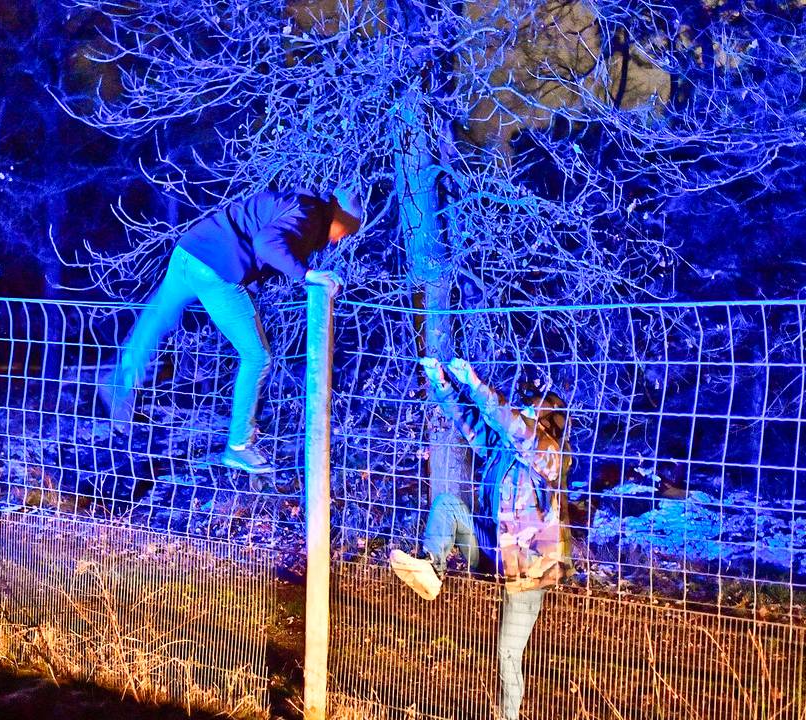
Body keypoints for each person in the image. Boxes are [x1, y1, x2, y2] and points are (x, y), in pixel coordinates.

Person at [105, 186, 361, 474]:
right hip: (217, 269)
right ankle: (239, 446)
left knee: (159, 316)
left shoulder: (299, 202)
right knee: (257, 356)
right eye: (347, 231)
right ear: (340, 217)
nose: (341, 241)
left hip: (190, 250)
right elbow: (267, 243)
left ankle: (121, 380)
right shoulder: (309, 215)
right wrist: (307, 275)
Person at [389, 357, 572, 720]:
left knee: (507, 652)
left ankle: (509, 716)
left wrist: (474, 382)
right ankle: (431, 569)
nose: (522, 413)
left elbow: (515, 428)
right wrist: (441, 383)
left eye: (530, 411)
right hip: (494, 550)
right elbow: (469, 422)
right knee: (447, 506)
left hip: (529, 570)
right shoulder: (504, 452)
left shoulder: (551, 455)